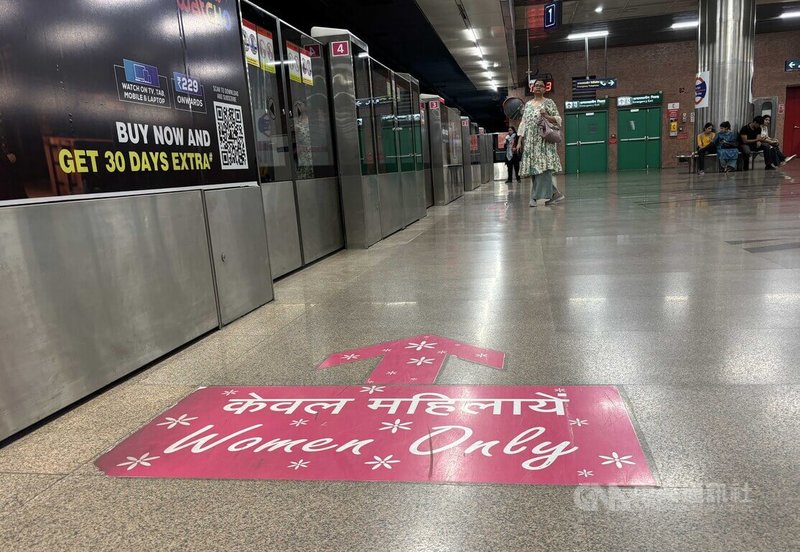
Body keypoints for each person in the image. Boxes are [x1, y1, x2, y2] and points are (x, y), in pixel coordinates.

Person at [515, 79, 565, 207]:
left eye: (541, 86)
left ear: (545, 89)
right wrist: (520, 141)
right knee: (534, 169)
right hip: (531, 142)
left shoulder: (549, 102)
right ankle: (554, 194)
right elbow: (524, 123)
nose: (538, 87)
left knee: (543, 169)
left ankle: (534, 197)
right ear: (532, 88)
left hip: (544, 141)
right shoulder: (528, 105)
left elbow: (558, 119)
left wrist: (547, 116)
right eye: (536, 85)